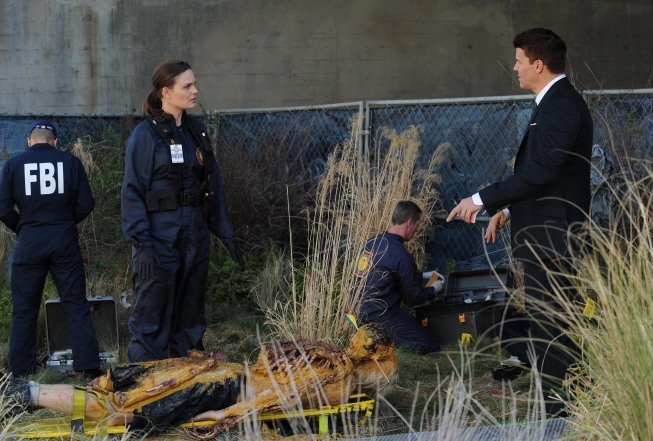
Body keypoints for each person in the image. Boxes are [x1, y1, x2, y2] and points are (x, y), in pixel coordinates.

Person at [446, 28, 593, 416]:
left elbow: (544, 170)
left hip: (552, 240)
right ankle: (561, 408)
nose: (514, 68)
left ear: (538, 64)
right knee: (549, 322)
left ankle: (560, 414)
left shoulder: (560, 104)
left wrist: (479, 198)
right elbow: (551, 175)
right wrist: (509, 210)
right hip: (545, 232)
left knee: (553, 325)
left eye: (519, 60)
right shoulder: (553, 103)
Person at [1, 323, 397, 436]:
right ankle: (26, 394)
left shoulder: (338, 381)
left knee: (132, 400)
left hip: (227, 387)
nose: (355, 342)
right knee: (139, 379)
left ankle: (26, 394)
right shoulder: (331, 363)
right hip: (225, 377)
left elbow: (277, 400)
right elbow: (270, 364)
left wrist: (223, 414)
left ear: (374, 357)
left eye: (364, 343)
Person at [121, 60, 244, 363]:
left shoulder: (196, 132)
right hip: (159, 238)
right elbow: (133, 191)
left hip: (195, 235)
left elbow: (212, 183)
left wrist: (224, 231)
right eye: (187, 86)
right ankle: (144, 386)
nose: (195, 91)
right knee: (153, 313)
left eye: (194, 84)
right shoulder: (145, 135)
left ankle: (186, 382)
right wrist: (143, 244)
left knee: (190, 314)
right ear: (166, 91)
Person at [0, 120, 101, 378]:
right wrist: (65, 223)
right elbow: (87, 204)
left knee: (24, 310)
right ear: (55, 141)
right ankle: (88, 367)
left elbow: (2, 208)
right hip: (63, 242)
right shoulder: (70, 163)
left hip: (30, 243)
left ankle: (20, 373)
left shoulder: (13, 164)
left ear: (29, 141)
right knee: (76, 303)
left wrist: (23, 226)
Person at [354, 200, 444, 354]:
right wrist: (432, 289)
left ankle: (373, 335)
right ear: (409, 223)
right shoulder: (401, 255)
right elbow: (412, 299)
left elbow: (385, 272)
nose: (417, 229)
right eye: (417, 224)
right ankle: (381, 341)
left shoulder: (371, 243)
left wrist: (422, 275)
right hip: (383, 314)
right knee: (430, 345)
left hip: (359, 311)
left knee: (412, 327)